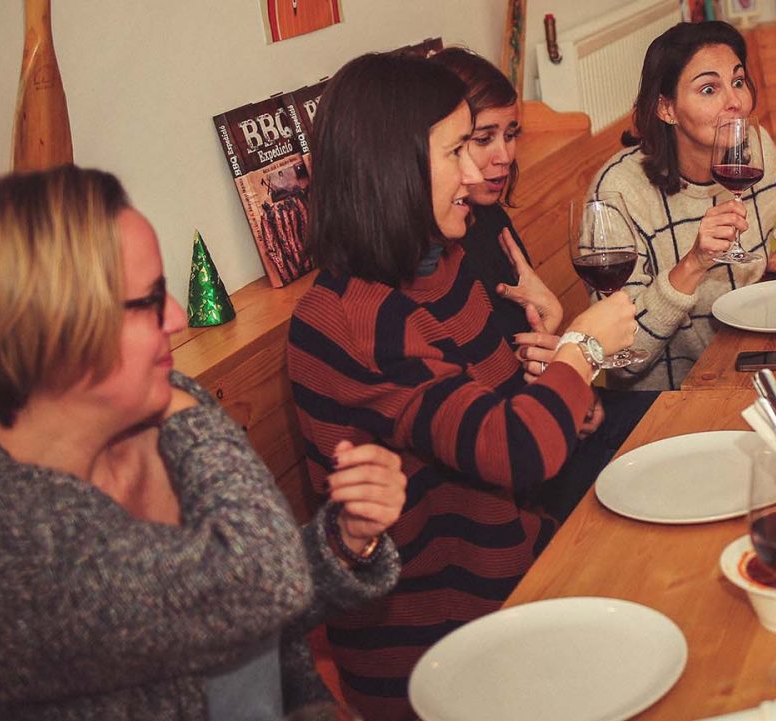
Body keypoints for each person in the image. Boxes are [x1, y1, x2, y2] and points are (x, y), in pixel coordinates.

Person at [0, 165, 405, 719]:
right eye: (149, 300)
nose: (177, 317)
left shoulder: (151, 424)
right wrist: (187, 407)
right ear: (53, 333)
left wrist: (344, 541)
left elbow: (233, 608)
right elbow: (262, 578)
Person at [286, 52, 637, 721]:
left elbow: (502, 422)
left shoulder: (440, 265)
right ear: (392, 167)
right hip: (437, 654)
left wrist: (559, 380)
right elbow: (515, 450)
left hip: (516, 584)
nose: (477, 174)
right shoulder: (351, 319)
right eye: (457, 152)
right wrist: (583, 348)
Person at [431, 45, 658, 521]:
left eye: (511, 134)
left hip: (553, 424)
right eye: (482, 139)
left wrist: (575, 374)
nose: (503, 156)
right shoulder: (442, 252)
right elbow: (496, 405)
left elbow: (537, 351)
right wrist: (574, 354)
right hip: (523, 470)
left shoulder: (488, 220)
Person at [589, 20, 776, 391]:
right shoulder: (618, 193)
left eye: (738, 81)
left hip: (747, 363)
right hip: (667, 399)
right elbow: (623, 359)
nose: (735, 102)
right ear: (666, 109)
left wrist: (762, 262)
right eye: (709, 89)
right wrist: (693, 264)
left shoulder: (757, 152)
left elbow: (740, 269)